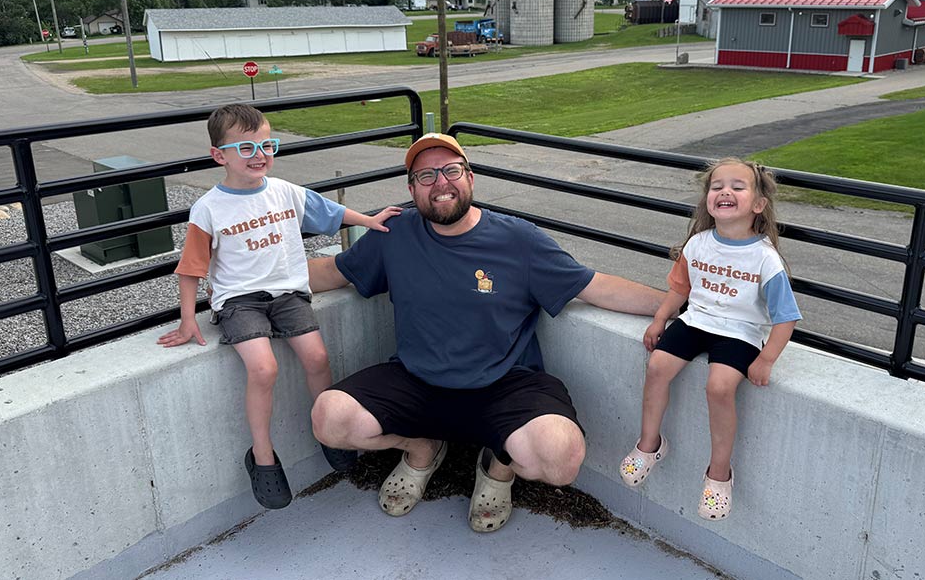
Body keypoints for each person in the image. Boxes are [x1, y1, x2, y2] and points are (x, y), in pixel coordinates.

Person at [307, 133, 665, 533]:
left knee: (561, 459)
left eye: (451, 170)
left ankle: (499, 465)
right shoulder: (395, 234)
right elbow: (333, 272)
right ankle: (421, 448)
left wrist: (676, 306)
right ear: (411, 189)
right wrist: (253, 280)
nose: (440, 183)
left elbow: (595, 286)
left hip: (504, 383)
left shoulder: (518, 239)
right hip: (417, 378)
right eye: (426, 175)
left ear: (470, 177)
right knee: (329, 419)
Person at [157, 103, 401, 510]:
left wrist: (369, 220)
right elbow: (191, 268)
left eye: (267, 145)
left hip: (288, 296)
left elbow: (330, 212)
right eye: (246, 148)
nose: (259, 156)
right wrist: (187, 321)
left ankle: (329, 432)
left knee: (317, 358)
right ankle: (263, 455)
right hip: (239, 302)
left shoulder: (285, 191)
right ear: (219, 155)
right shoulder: (209, 208)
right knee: (263, 368)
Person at [618, 158, 801, 521]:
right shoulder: (698, 244)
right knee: (657, 366)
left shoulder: (765, 259)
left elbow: (786, 317)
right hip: (696, 321)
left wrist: (766, 359)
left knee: (719, 387)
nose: (725, 192)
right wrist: (660, 319)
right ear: (707, 200)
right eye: (717, 186)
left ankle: (719, 474)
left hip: (740, 331)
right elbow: (680, 288)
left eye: (737, 186)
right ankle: (650, 444)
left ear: (759, 204)